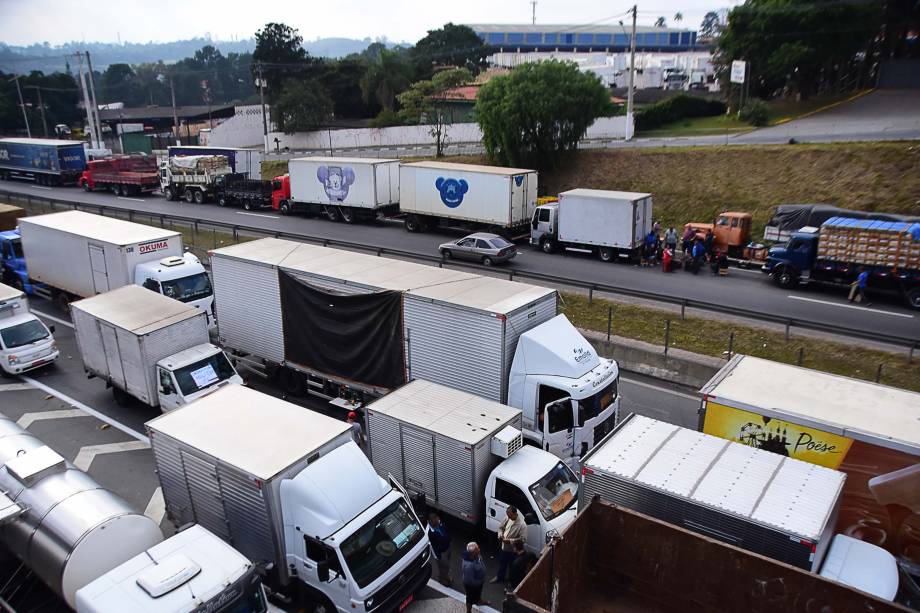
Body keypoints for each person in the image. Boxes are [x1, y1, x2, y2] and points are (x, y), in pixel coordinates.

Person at [493, 506, 526, 583]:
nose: (508, 517)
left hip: (513, 550)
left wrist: (510, 541)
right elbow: (501, 528)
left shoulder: (522, 525)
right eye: (507, 515)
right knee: (502, 563)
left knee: (512, 567)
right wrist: (500, 534)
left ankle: (511, 582)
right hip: (504, 547)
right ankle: (499, 577)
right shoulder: (507, 518)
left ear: (515, 514)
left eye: (510, 515)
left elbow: (523, 539)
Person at [428, 513, 452, 586]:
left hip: (447, 547)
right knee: (445, 566)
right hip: (440, 553)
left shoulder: (440, 524)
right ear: (431, 522)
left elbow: (446, 531)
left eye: (437, 519)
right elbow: (432, 546)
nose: (438, 521)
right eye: (435, 520)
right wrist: (437, 556)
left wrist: (450, 540)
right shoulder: (430, 533)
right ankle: (441, 579)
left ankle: (445, 576)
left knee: (446, 565)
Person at [462, 542, 487, 613]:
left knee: (478, 593)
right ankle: (468, 611)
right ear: (473, 553)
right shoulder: (469, 565)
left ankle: (479, 600)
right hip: (472, 586)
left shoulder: (477, 556)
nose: (479, 549)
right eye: (477, 549)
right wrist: (480, 582)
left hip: (478, 582)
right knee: (470, 599)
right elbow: (469, 581)